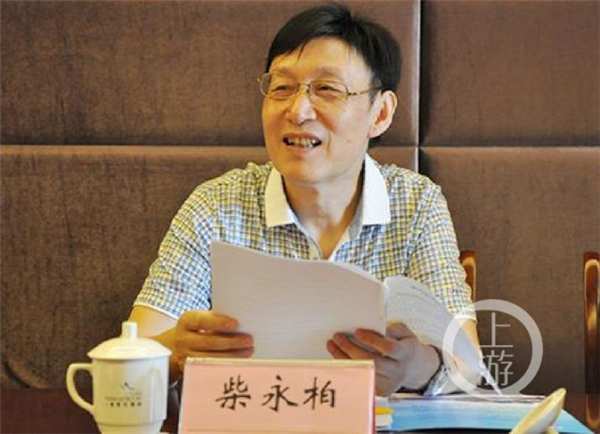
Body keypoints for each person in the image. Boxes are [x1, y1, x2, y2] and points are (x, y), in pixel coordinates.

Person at [129, 3, 480, 397]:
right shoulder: (216, 206)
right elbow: (134, 358)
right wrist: (175, 353)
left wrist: (413, 367)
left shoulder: (416, 205)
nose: (297, 111)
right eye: (282, 88)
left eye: (327, 89)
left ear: (380, 113)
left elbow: (466, 364)